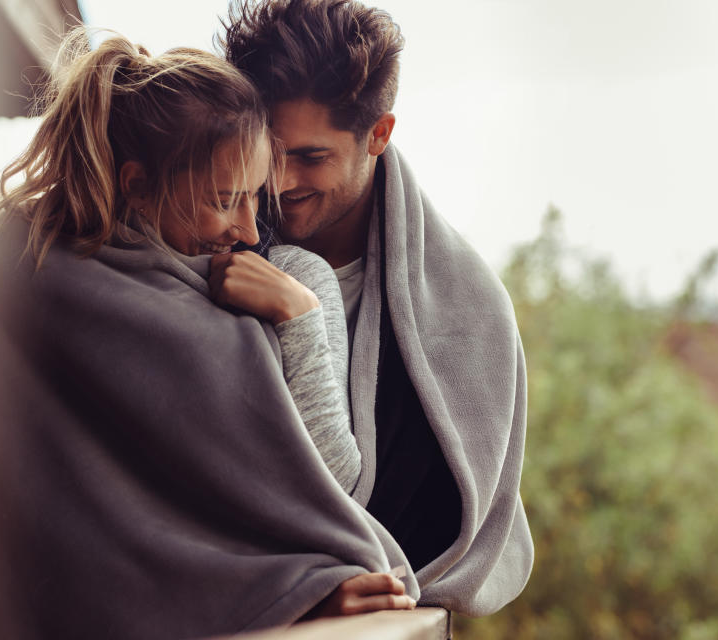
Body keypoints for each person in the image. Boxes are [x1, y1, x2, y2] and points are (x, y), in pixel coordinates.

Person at [0, 29, 418, 640]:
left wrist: (298, 317)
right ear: (138, 184)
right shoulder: (3, 267)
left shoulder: (279, 285)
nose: (248, 231)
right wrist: (294, 594)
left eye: (255, 198)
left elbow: (315, 493)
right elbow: (63, 519)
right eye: (223, 200)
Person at [222, 0, 535, 615]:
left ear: (379, 135)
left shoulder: (469, 312)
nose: (279, 183)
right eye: (269, 151)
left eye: (310, 157)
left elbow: (438, 530)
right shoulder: (204, 236)